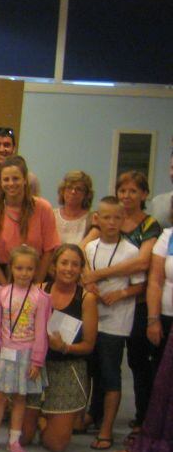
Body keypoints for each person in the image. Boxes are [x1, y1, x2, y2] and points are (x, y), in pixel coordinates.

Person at [81, 170, 162, 433]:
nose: (127, 196)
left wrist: (104, 278)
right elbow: (81, 252)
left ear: (144, 195)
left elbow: (141, 264)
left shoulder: (149, 227)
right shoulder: (102, 226)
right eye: (123, 190)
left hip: (133, 306)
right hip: (97, 309)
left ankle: (139, 418)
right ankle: (94, 414)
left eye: (133, 191)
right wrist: (87, 279)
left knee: (134, 363)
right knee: (96, 364)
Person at [21, 244, 98, 452]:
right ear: (54, 265)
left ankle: (45, 421)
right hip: (36, 367)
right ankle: (36, 418)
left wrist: (64, 347)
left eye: (75, 264)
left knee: (56, 445)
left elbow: (89, 346)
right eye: (64, 263)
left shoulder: (87, 299)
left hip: (68, 369)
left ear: (81, 269)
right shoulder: (37, 290)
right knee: (22, 438)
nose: (69, 269)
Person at [84, 197, 146, 451]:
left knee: (111, 374)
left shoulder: (131, 251)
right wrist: (89, 287)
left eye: (116, 218)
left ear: (123, 220)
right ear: (97, 218)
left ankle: (107, 428)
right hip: (92, 319)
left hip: (116, 321)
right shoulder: (91, 248)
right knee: (91, 371)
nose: (111, 222)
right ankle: (89, 415)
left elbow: (139, 285)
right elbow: (84, 276)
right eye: (106, 217)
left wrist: (119, 294)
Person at [0, 245, 52, 452]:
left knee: (20, 398)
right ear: (11, 268)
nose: (24, 273)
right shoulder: (2, 293)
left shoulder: (40, 297)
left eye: (29, 269)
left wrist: (37, 361)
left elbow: (41, 332)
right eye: (19, 268)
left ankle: (14, 440)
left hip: (27, 354)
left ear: (35, 270)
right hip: (4, 352)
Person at [119, 199, 173, 452]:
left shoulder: (152, 229)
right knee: (159, 378)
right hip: (162, 315)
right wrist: (153, 319)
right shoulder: (167, 236)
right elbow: (155, 280)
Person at [0, 156, 59, 286]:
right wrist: (6, 288)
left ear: (25, 179)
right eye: (6, 179)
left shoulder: (43, 208)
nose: (11, 183)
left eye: (16, 178)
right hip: (5, 277)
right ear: (1, 183)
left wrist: (36, 284)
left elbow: (49, 251)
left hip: (36, 275)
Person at [0, 127, 39, 204]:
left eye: (6, 145)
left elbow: (34, 208)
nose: (1, 149)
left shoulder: (29, 179)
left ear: (14, 149)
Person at [55, 171, 94, 247]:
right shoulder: (51, 215)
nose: (73, 192)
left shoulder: (92, 219)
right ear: (62, 191)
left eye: (79, 189)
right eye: (69, 188)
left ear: (86, 194)